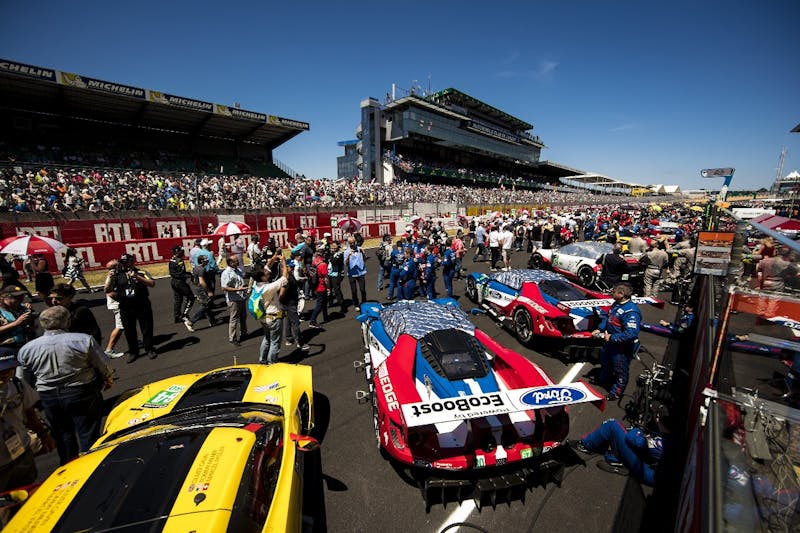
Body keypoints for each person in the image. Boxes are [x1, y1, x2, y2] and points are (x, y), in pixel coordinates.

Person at [16, 306, 114, 465]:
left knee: (63, 435)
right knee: (88, 432)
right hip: (82, 391)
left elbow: (22, 380)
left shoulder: (27, 349)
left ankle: (69, 466)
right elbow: (104, 365)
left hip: (48, 395)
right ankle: (92, 465)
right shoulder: (83, 340)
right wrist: (108, 379)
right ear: (67, 322)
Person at [0, 348, 55, 492]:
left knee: (28, 492)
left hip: (22, 453)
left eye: (9, 369)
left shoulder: (17, 385)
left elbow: (29, 412)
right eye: (1, 371)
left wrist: (44, 435)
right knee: (5, 506)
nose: (5, 374)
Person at [571, 418, 666, 487]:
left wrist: (639, 430)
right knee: (624, 433)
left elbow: (633, 438)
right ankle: (616, 458)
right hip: (655, 470)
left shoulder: (665, 444)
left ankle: (586, 445)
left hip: (647, 471)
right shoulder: (674, 444)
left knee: (612, 425)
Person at [592, 282, 642, 401]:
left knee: (620, 371)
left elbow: (631, 334)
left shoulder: (631, 312)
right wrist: (599, 328)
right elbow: (608, 318)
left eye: (613, 291)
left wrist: (612, 338)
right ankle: (604, 380)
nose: (611, 293)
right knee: (605, 363)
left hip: (621, 348)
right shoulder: (616, 304)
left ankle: (616, 393)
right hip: (609, 344)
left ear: (621, 294)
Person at [105, 254, 157, 363]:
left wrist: (137, 277)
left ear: (132, 262)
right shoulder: (117, 275)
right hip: (126, 306)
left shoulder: (142, 272)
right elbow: (107, 290)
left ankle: (150, 349)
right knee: (129, 331)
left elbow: (152, 283)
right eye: (122, 262)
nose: (124, 264)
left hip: (142, 304)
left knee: (147, 328)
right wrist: (110, 279)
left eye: (127, 262)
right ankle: (133, 352)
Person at [254, 253, 289, 365]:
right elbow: (284, 278)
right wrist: (283, 261)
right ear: (262, 277)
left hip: (263, 317)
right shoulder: (268, 287)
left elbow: (266, 267)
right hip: (273, 318)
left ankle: (262, 360)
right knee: (275, 342)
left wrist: (273, 259)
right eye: (266, 273)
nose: (268, 272)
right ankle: (271, 363)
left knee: (267, 339)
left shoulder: (256, 284)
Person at [184, 254, 217, 332]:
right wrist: (209, 291)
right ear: (202, 261)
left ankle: (212, 320)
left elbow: (194, 279)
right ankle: (190, 322)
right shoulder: (202, 270)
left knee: (207, 305)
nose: (207, 260)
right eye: (206, 259)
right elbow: (202, 282)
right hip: (203, 291)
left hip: (198, 289)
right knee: (205, 305)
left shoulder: (195, 268)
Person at [220, 256, 248, 346]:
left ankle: (244, 333)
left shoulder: (237, 270)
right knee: (234, 319)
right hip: (233, 299)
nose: (238, 262)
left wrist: (243, 287)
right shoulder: (226, 273)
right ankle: (232, 338)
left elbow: (240, 281)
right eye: (236, 261)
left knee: (243, 317)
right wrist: (237, 289)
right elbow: (224, 287)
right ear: (231, 263)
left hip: (241, 297)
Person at [101, 260, 125, 359]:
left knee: (126, 323)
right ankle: (109, 349)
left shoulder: (115, 274)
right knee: (120, 326)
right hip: (117, 304)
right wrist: (121, 298)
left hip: (116, 303)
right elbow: (107, 290)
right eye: (119, 265)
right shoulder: (112, 276)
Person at [168, 245, 195, 324]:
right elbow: (181, 273)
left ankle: (177, 317)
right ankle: (185, 314)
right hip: (180, 282)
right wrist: (188, 275)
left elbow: (173, 273)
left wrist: (188, 274)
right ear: (177, 252)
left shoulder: (171, 260)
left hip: (173, 281)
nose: (182, 252)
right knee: (191, 297)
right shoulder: (180, 261)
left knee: (178, 300)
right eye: (181, 251)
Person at [344, 237, 367, 310]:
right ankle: (356, 304)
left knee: (362, 289)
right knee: (354, 291)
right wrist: (348, 255)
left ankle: (364, 302)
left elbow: (365, 259)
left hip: (360, 272)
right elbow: (346, 264)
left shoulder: (360, 249)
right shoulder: (346, 251)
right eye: (351, 243)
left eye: (354, 242)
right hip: (352, 274)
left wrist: (363, 253)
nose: (353, 244)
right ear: (348, 243)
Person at [308, 251, 329, 329]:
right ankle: (312, 321)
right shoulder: (323, 264)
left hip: (315, 286)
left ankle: (326, 317)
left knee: (323, 302)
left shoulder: (314, 262)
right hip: (321, 286)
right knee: (319, 305)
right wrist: (329, 288)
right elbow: (326, 278)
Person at [328, 241, 345, 309]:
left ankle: (342, 305)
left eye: (334, 247)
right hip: (329, 273)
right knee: (329, 289)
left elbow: (334, 261)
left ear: (338, 247)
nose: (333, 249)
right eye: (332, 247)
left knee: (337, 290)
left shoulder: (339, 254)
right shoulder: (330, 253)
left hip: (336, 274)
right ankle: (330, 302)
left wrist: (331, 255)